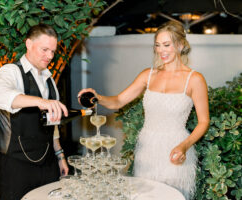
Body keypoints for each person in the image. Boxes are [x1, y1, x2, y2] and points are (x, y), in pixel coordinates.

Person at [78, 21, 209, 199]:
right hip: (146, 151)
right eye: (157, 45)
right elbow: (117, 101)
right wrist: (97, 96)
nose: (161, 50)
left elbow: (203, 122)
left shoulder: (195, 79)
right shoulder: (147, 75)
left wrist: (184, 146)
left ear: (180, 45)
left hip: (176, 151)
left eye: (166, 45)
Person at [0, 24, 69, 200]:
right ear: (28, 44)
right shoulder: (11, 71)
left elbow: (52, 125)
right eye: (45, 49)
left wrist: (60, 156)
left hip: (48, 164)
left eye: (53, 51)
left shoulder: (49, 80)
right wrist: (41, 102)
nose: (49, 56)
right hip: (17, 166)